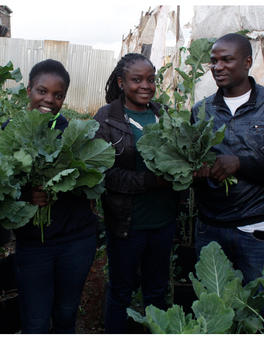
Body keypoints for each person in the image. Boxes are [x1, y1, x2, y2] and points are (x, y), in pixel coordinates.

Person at [192, 33, 264, 284]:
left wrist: (240, 164)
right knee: (214, 306)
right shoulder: (200, 111)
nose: (218, 67)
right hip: (210, 228)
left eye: (227, 60)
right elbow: (192, 164)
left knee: (263, 308)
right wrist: (196, 172)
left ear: (247, 62)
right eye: (214, 61)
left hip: (256, 229)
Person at [92, 53, 180, 334]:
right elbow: (103, 174)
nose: (146, 85)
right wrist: (150, 181)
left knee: (156, 290)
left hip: (163, 221)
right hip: (127, 224)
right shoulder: (107, 119)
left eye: (151, 80)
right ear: (121, 82)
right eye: (137, 80)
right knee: (121, 290)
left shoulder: (162, 114)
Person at [10, 59, 98, 334]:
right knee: (35, 319)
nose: (49, 99)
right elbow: (3, 183)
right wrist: (27, 194)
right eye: (42, 91)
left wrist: (60, 184)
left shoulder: (72, 134)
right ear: (28, 91)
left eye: (58, 95)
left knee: (66, 312)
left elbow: (91, 181)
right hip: (34, 244)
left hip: (76, 240)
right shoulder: (9, 130)